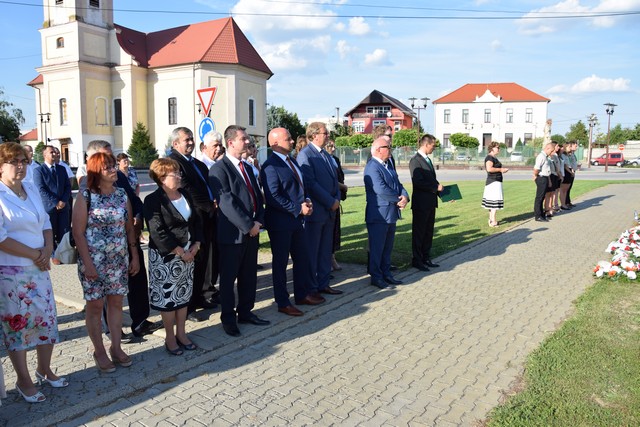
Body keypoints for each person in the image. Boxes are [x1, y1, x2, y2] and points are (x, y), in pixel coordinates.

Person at [0, 142, 67, 403]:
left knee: (46, 320)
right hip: (12, 271)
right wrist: (35, 254)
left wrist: (48, 249)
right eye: (13, 161)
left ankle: (44, 369)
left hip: (39, 266)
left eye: (23, 161)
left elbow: (46, 221)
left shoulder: (29, 188)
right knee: (18, 327)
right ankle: (23, 380)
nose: (20, 166)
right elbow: (1, 238)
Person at [81, 140, 158, 339]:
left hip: (127, 241)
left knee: (137, 279)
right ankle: (111, 330)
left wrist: (137, 217)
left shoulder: (120, 179)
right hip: (99, 254)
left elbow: (134, 200)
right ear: (93, 159)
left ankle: (140, 321)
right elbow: (79, 230)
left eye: (112, 158)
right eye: (105, 158)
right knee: (106, 296)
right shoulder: (86, 186)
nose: (112, 163)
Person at [72, 153, 140, 373]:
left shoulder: (121, 194)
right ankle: (99, 350)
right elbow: (78, 233)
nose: (113, 170)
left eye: (113, 166)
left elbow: (129, 229)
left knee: (116, 303)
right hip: (93, 262)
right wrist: (88, 264)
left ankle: (116, 347)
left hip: (118, 261)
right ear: (95, 171)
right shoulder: (85, 196)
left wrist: (134, 255)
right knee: (95, 306)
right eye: (107, 167)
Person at [209, 125, 269, 337]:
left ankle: (245, 312)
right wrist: (248, 225)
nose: (247, 142)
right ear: (231, 142)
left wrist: (258, 221)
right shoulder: (219, 169)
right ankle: (228, 318)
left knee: (249, 275)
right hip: (232, 235)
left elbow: (257, 197)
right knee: (228, 279)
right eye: (243, 138)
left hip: (252, 231)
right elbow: (226, 203)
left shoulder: (248, 167)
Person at [260, 128, 324, 317]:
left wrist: (307, 200)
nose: (292, 141)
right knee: (280, 264)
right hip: (280, 223)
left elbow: (300, 186)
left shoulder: (292, 161)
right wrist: (297, 208)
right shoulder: (270, 166)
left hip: (297, 221)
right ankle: (283, 302)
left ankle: (302, 295)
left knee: (302, 258)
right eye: (288, 139)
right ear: (275, 144)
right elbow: (273, 197)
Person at [144, 159, 202, 355]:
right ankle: (170, 337)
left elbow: (196, 221)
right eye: (174, 174)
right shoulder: (153, 200)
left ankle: (182, 334)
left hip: (189, 255)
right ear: (162, 178)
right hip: (166, 258)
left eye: (179, 172)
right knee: (168, 300)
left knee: (183, 296)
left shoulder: (185, 194)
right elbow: (157, 231)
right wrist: (180, 251)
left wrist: (196, 245)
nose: (179, 176)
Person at [169, 127, 218, 322]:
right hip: (191, 220)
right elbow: (186, 189)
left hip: (206, 219)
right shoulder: (174, 162)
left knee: (203, 262)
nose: (190, 142)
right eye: (186, 140)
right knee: (191, 265)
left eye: (191, 139)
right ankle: (187, 308)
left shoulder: (197, 163)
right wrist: (209, 206)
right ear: (175, 144)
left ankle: (198, 298)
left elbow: (208, 185)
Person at [296, 122, 343, 297]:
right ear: (314, 135)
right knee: (313, 252)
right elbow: (310, 183)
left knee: (325, 251)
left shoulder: (326, 155)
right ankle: (311, 288)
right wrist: (330, 201)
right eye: (325, 133)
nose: (328, 135)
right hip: (316, 212)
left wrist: (337, 198)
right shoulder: (305, 155)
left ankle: (323, 284)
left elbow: (334, 180)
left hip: (329, 211)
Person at [364, 136, 409, 289]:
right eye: (387, 147)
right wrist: (398, 200)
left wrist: (405, 196)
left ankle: (386, 274)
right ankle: (376, 277)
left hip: (390, 214)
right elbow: (380, 189)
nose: (390, 150)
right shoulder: (372, 167)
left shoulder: (388, 164)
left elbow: (398, 184)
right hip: (379, 215)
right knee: (377, 249)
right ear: (378, 150)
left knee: (387, 248)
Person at [409, 134, 443, 272]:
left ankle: (426, 257)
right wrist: (435, 188)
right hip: (421, 203)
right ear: (426, 144)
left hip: (430, 202)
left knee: (428, 232)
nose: (434, 148)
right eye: (433, 146)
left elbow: (432, 181)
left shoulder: (427, 160)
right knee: (419, 232)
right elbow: (418, 182)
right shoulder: (415, 161)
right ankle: (417, 260)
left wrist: (444, 194)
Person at [33, 145, 71, 248]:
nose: (54, 154)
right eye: (51, 152)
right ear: (44, 155)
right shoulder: (39, 170)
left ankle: (63, 253)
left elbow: (68, 186)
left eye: (55, 152)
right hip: (49, 208)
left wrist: (63, 201)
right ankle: (52, 253)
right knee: (50, 234)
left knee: (64, 233)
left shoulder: (61, 169)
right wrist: (56, 202)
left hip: (63, 207)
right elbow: (41, 189)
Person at [325, 139, 347, 271]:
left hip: (336, 197)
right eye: (330, 146)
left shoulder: (335, 160)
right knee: (328, 231)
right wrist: (342, 187)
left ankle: (332, 256)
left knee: (335, 230)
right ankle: (328, 259)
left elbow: (340, 177)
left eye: (334, 146)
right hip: (328, 199)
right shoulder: (323, 160)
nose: (333, 149)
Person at [482, 142, 509, 227]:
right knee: (494, 202)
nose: (499, 149)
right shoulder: (489, 157)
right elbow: (489, 169)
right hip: (493, 182)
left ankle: (491, 220)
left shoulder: (494, 157)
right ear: (492, 148)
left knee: (492, 202)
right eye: (497, 147)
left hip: (495, 181)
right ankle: (493, 221)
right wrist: (501, 170)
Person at [533, 142, 556, 222]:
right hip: (541, 178)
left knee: (542, 197)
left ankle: (541, 214)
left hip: (545, 177)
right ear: (547, 148)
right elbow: (536, 168)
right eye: (551, 151)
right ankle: (538, 215)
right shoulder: (541, 156)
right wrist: (535, 175)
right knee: (539, 197)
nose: (552, 153)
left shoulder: (545, 157)